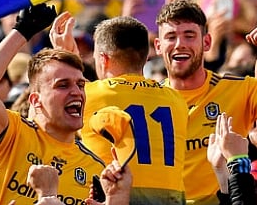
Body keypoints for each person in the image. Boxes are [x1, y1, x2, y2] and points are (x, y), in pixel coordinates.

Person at [155, 0, 257, 205]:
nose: (180, 44)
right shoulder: (148, 99)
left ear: (206, 42)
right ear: (158, 46)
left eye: (189, 36)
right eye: (171, 37)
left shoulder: (239, 90)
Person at [0, 4, 105, 205]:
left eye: (80, 85)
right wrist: (22, 31)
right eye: (62, 85)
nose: (77, 92)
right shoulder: (14, 135)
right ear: (35, 100)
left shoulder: (96, 169)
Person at [50, 13, 188, 204]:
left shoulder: (90, 95)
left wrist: (67, 58)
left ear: (103, 59)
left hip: (115, 197)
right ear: (146, 56)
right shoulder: (177, 100)